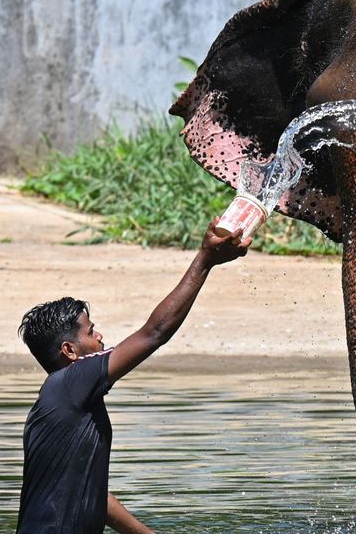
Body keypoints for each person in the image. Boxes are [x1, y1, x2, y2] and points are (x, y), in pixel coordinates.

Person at [15, 219, 251, 534]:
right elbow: (154, 333)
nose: (100, 337)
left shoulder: (61, 402)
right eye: (91, 331)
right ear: (69, 351)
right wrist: (205, 261)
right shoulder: (72, 381)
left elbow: (94, 495)